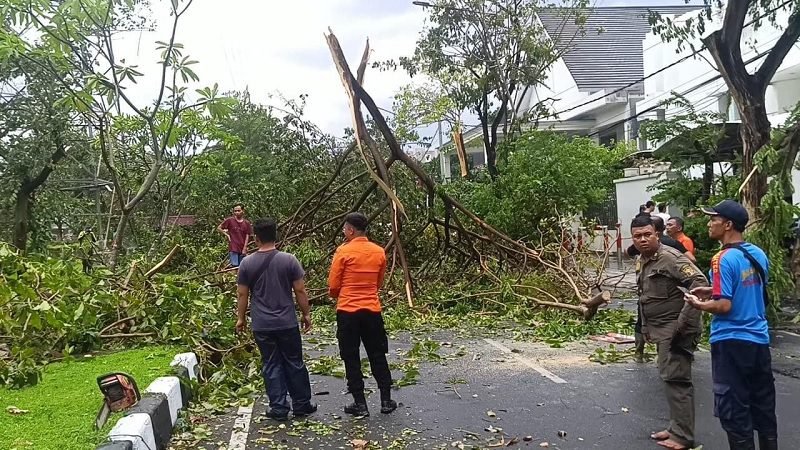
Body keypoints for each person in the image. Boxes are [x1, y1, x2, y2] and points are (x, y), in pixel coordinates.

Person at [684, 200, 777, 450]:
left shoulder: (722, 258)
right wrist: (712, 290)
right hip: (758, 340)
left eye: (712, 219)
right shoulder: (757, 254)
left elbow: (725, 306)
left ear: (727, 225)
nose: (708, 223)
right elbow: (749, 290)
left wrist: (698, 304)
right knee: (763, 407)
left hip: (731, 341)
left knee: (734, 410)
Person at [631, 215, 708, 450]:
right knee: (670, 378)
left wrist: (684, 321)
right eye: (637, 236)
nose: (642, 240)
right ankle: (677, 428)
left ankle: (683, 437)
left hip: (676, 329)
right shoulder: (644, 259)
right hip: (659, 329)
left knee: (677, 380)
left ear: (657, 234)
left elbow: (700, 284)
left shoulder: (670, 258)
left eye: (647, 235)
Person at [236, 218, 316, 421]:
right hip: (287, 322)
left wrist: (240, 318)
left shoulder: (246, 263)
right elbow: (300, 290)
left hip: (262, 324)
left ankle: (279, 408)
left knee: (271, 364)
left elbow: (242, 295)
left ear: (256, 237)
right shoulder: (289, 260)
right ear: (275, 235)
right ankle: (301, 404)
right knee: (294, 362)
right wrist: (306, 314)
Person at [328, 212, 397, 417]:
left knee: (351, 356)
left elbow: (333, 286)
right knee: (377, 354)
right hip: (372, 310)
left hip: (348, 311)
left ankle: (360, 404)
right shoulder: (378, 252)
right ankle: (386, 400)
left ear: (350, 230)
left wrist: (340, 294)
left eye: (344, 229)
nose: (343, 232)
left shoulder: (343, 252)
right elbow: (379, 283)